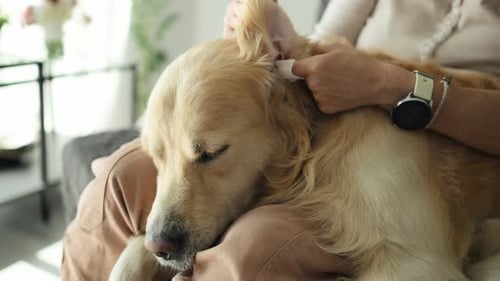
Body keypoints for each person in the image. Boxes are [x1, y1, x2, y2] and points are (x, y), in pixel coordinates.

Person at [61, 0, 500, 280]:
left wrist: (388, 85)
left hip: (420, 124)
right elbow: (316, 43)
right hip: (323, 106)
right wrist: (270, 43)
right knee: (118, 179)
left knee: (256, 246)